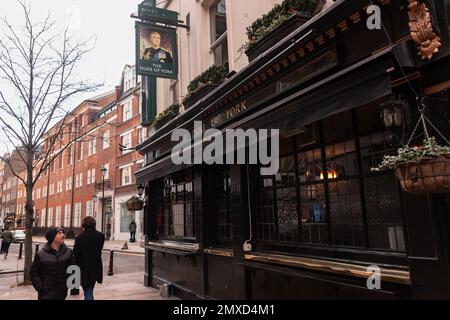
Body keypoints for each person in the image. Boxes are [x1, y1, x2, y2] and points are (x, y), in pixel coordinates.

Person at [30, 228, 75, 300]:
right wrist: (40, 286)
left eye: (63, 233)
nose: (63, 235)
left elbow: (73, 269)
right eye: (59, 233)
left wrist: (68, 284)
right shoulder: (41, 254)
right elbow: (33, 272)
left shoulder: (68, 252)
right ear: (52, 237)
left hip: (62, 292)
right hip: (45, 293)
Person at [73, 216, 105, 300]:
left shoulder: (79, 238)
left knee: (87, 290)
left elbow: (75, 253)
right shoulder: (101, 236)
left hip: (84, 268)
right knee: (90, 289)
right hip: (96, 267)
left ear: (84, 225)